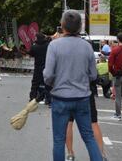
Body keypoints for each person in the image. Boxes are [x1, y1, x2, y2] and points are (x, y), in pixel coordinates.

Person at [43, 10, 103, 161]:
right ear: (80, 27)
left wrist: (53, 83)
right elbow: (93, 75)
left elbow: (48, 75)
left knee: (58, 140)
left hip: (60, 97)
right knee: (88, 137)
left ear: (62, 25)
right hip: (82, 97)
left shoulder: (54, 46)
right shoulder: (87, 47)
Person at [28, 33, 51, 105]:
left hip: (37, 67)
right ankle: (48, 99)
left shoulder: (34, 47)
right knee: (47, 83)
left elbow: (31, 54)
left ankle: (32, 98)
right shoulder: (48, 45)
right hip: (47, 66)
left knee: (35, 83)